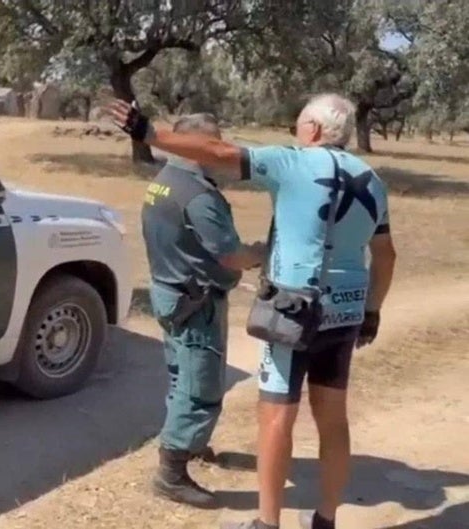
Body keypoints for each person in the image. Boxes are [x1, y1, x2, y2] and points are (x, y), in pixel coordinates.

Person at [107, 93, 397, 529]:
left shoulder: (293, 162)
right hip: (347, 311)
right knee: (333, 419)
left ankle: (266, 522)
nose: (296, 132)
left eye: (300, 124)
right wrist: (372, 310)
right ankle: (326, 518)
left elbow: (220, 153)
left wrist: (150, 134)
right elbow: (386, 254)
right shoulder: (371, 180)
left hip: (294, 310)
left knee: (277, 415)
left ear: (314, 130)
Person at [141, 112, 266, 509]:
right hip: (196, 303)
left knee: (181, 375)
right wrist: (260, 254)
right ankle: (171, 473)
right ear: (197, 146)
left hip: (169, 292)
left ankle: (188, 444)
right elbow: (230, 256)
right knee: (202, 388)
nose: (220, 152)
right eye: (214, 144)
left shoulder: (161, 184)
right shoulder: (198, 196)